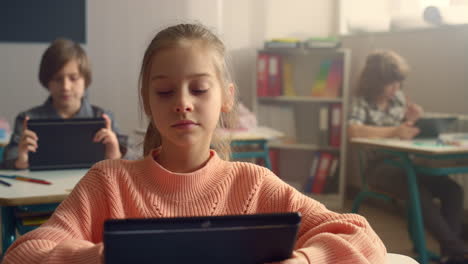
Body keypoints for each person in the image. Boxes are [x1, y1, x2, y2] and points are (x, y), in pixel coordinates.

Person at [3, 24, 386, 264]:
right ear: (147, 100)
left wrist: (305, 259)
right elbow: (21, 254)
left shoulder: (252, 184)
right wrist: (108, 255)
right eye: (165, 91)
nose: (183, 102)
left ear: (226, 97)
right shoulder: (108, 182)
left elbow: (362, 236)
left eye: (200, 88)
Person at [348, 50, 467, 264]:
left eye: (398, 84)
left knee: (453, 190)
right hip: (378, 168)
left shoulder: (397, 99)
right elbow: (354, 131)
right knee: (417, 191)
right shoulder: (362, 101)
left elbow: (404, 131)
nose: (396, 89)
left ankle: (450, 253)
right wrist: (395, 130)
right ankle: (456, 250)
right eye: (391, 84)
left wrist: (413, 120)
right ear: (376, 82)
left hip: (406, 164)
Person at [2, 38, 127, 169]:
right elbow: (8, 159)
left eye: (73, 78)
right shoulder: (27, 119)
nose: (66, 87)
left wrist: (116, 154)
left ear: (86, 80)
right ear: (47, 81)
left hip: (92, 186)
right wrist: (21, 160)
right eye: (57, 79)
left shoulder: (104, 118)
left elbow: (135, 159)